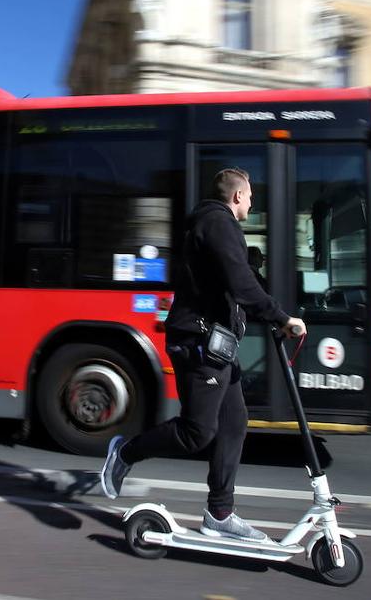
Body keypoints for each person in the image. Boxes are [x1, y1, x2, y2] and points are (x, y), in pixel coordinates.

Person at [100, 168, 305, 542]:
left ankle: (220, 513)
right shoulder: (219, 223)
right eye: (251, 197)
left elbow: (235, 282)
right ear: (239, 197)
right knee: (198, 432)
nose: (252, 203)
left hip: (216, 343)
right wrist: (281, 317)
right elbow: (239, 282)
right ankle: (126, 452)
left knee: (234, 422)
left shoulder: (216, 226)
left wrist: (265, 314)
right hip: (198, 342)